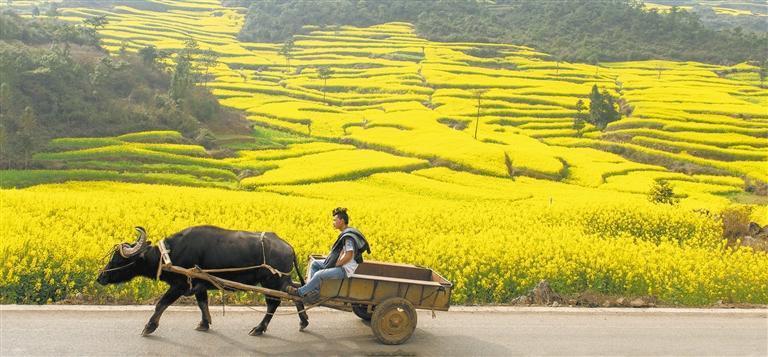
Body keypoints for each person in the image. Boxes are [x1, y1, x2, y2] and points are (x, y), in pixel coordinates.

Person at [285, 207, 369, 301]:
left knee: (319, 274)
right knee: (315, 264)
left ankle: (300, 292)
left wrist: (337, 264)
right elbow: (343, 251)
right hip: (341, 265)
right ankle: (313, 292)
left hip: (344, 269)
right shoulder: (346, 233)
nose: (333, 222)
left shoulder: (348, 237)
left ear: (342, 221)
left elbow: (349, 255)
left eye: (335, 220)